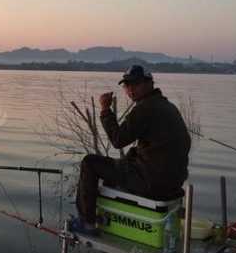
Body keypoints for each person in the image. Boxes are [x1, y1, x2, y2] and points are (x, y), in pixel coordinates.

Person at [70, 65, 191, 235]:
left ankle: (87, 223)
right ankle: (113, 217)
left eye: (136, 84)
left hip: (151, 181)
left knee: (90, 163)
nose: (130, 89)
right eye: (127, 85)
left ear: (149, 83)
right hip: (172, 183)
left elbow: (118, 140)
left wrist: (105, 110)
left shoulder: (145, 108)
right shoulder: (167, 106)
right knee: (120, 166)